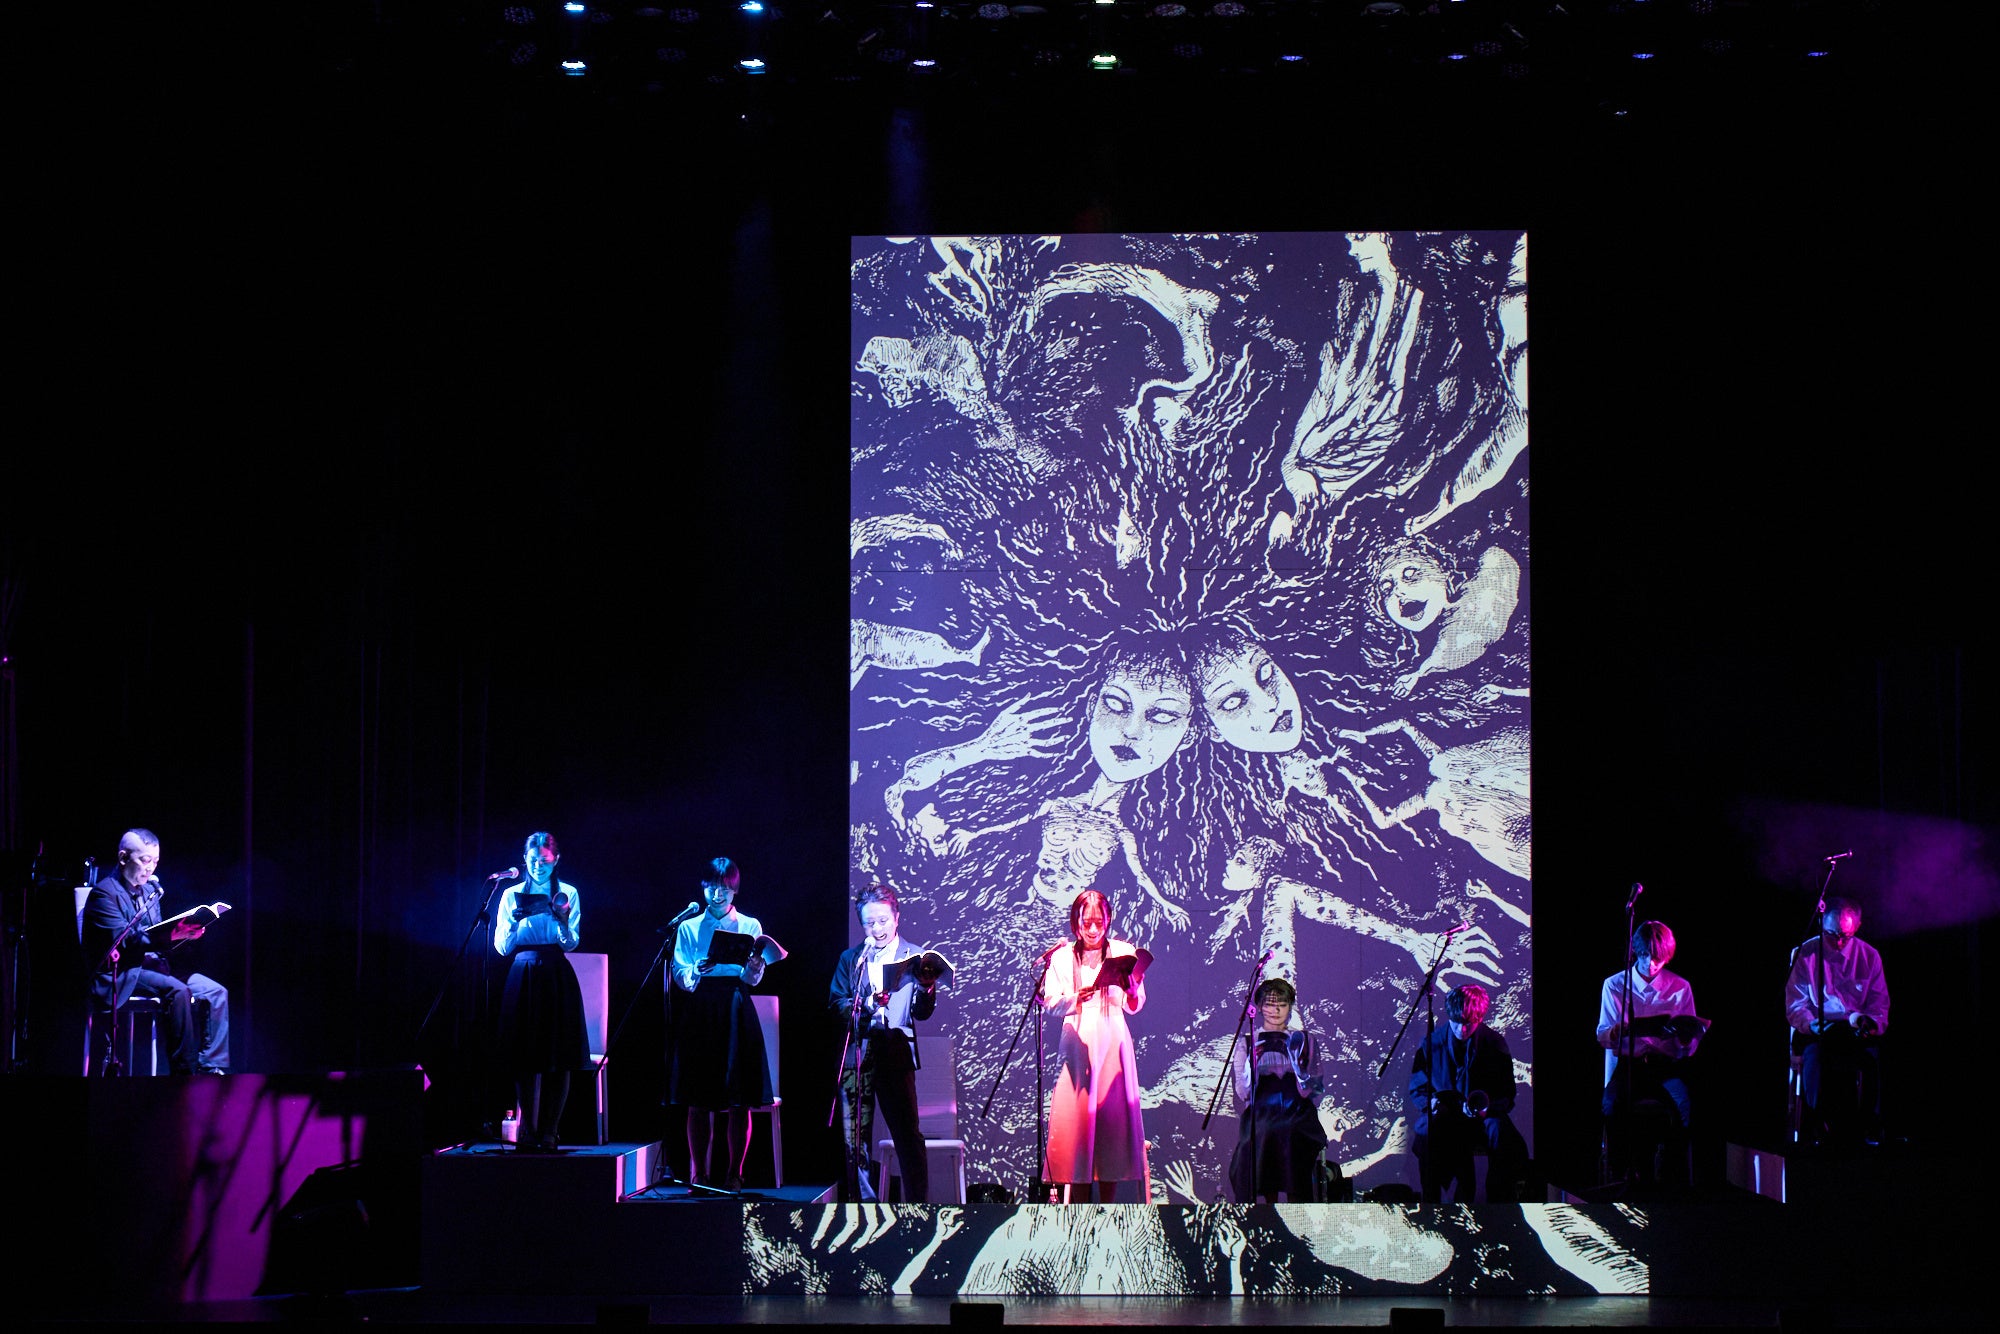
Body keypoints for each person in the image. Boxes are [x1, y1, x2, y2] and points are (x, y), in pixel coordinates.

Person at [828, 883, 942, 1202]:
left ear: (896, 918)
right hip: (858, 1051)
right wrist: (865, 1004)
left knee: (907, 1134)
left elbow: (921, 1013)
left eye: (882, 921)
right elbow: (836, 1003)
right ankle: (862, 1206)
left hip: (896, 1051)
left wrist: (927, 988)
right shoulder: (852, 959)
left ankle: (917, 1206)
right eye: (869, 923)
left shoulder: (915, 956)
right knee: (855, 1138)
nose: (877, 929)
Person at [82, 828, 229, 1074]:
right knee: (178, 991)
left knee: (216, 993)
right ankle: (184, 1072)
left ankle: (213, 1068)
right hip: (124, 971)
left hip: (154, 965)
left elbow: (157, 937)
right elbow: (126, 942)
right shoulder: (104, 894)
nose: (150, 868)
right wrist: (172, 935)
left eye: (155, 861)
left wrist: (186, 934)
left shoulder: (150, 891)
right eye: (145, 860)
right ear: (123, 858)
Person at [668, 856, 773, 1190]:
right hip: (701, 1007)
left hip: (736, 1006)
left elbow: (753, 979)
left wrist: (754, 966)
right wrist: (694, 971)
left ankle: (734, 1173)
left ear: (735, 890)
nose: (718, 894)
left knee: (739, 1098)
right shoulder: (688, 926)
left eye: (725, 889)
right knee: (698, 1098)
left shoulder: (750, 925)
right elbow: (680, 974)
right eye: (713, 887)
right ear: (704, 887)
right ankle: (698, 1173)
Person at [1039, 889, 1150, 1202]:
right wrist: (1076, 999)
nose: (1092, 929)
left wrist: (1131, 989)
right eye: (1085, 922)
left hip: (1113, 1039)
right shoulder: (1062, 957)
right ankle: (1077, 1205)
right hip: (1078, 1042)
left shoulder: (1122, 951)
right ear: (1075, 922)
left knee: (1111, 1126)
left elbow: (1135, 1004)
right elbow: (1050, 1002)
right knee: (1079, 1126)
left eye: (1098, 922)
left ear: (1108, 921)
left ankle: (1108, 1206)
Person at [492, 831, 588, 1152]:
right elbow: (502, 948)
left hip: (556, 971)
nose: (538, 866)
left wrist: (561, 920)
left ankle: (550, 1131)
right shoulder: (511, 894)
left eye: (544, 861)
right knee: (524, 1054)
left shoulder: (568, 893)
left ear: (555, 860)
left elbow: (571, 943)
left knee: (558, 1054)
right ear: (525, 859)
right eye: (533, 860)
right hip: (523, 971)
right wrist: (513, 922)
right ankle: (528, 1130)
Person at [1596, 921, 1703, 1184]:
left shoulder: (1680, 987)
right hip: (1629, 1066)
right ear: (1636, 952)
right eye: (1645, 955)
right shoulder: (1615, 984)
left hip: (1663, 1067)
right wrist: (1618, 1031)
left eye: (1658, 959)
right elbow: (1602, 1034)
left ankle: (1672, 1176)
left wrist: (1685, 1038)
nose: (1651, 964)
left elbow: (1688, 1047)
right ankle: (1620, 1174)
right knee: (1611, 1104)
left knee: (1683, 1104)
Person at [1407, 983, 1526, 1202]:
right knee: (1425, 1130)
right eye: (1457, 1022)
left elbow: (1507, 1094)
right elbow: (1418, 1088)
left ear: (1480, 1018)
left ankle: (1498, 1202)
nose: (1462, 1030)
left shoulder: (1495, 1043)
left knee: (1500, 1132)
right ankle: (1431, 1202)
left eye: (1469, 1023)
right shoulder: (1431, 1044)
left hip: (1482, 1119)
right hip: (1445, 1118)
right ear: (1449, 1016)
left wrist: (1486, 1107)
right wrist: (1430, 1103)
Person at [1786, 896, 1890, 1147]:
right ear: (1822, 925)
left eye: (1846, 936)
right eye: (1832, 935)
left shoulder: (1870, 956)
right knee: (1816, 1058)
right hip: (1819, 1028)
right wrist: (1811, 1024)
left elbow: (1879, 1005)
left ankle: (1867, 1129)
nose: (1839, 942)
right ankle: (1818, 1127)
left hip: (1854, 1029)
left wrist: (1870, 1023)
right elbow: (1796, 1005)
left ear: (1857, 927)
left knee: (1872, 1060)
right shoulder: (1804, 953)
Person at [1229, 977, 1335, 1203]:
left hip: (1297, 1111)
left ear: (1290, 1006)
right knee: (1263, 1135)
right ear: (1259, 1007)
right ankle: (1267, 1208)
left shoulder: (1304, 1040)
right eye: (1269, 1004)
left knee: (1291, 1133)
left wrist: (1297, 1066)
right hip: (1261, 1112)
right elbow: (1243, 1092)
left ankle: (1299, 1205)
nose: (1276, 1010)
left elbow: (1313, 1089)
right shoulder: (1247, 1042)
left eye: (1282, 1004)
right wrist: (1251, 1065)